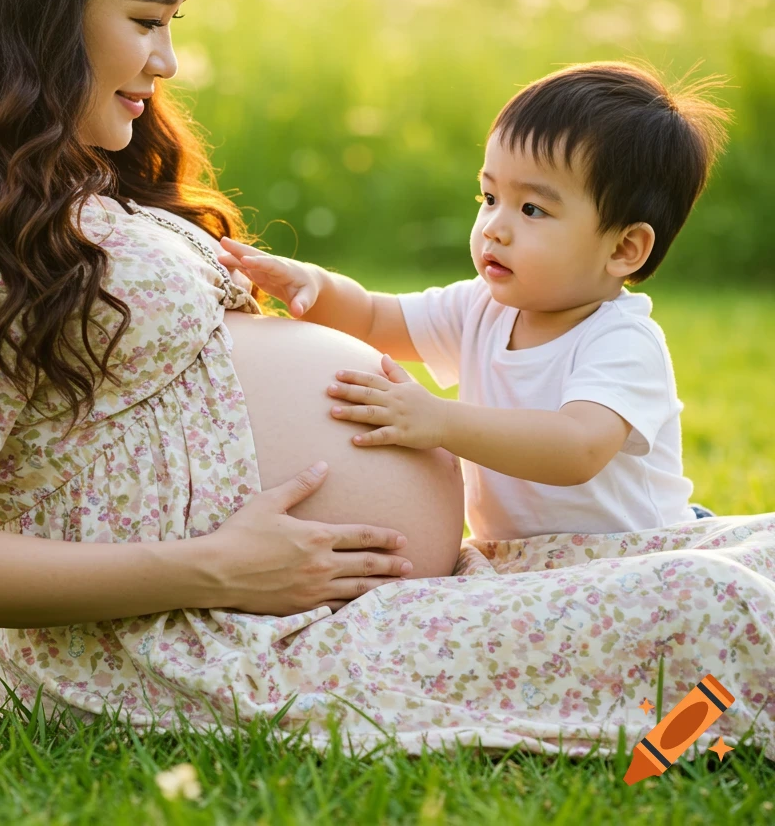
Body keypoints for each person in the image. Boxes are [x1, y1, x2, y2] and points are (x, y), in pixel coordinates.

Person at [0, 0, 775, 761]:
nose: (166, 60)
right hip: (206, 638)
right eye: (146, 17)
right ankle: (680, 739)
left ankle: (687, 719)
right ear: (33, 7)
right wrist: (213, 567)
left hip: (317, 594)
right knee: (721, 607)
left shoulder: (64, 178)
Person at [218, 62, 729, 541]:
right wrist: (315, 286)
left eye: (531, 209)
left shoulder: (621, 341)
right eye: (488, 198)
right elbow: (376, 318)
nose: (495, 228)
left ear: (623, 248)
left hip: (635, 558)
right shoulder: (481, 308)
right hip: (528, 566)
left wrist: (440, 420)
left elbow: (578, 447)